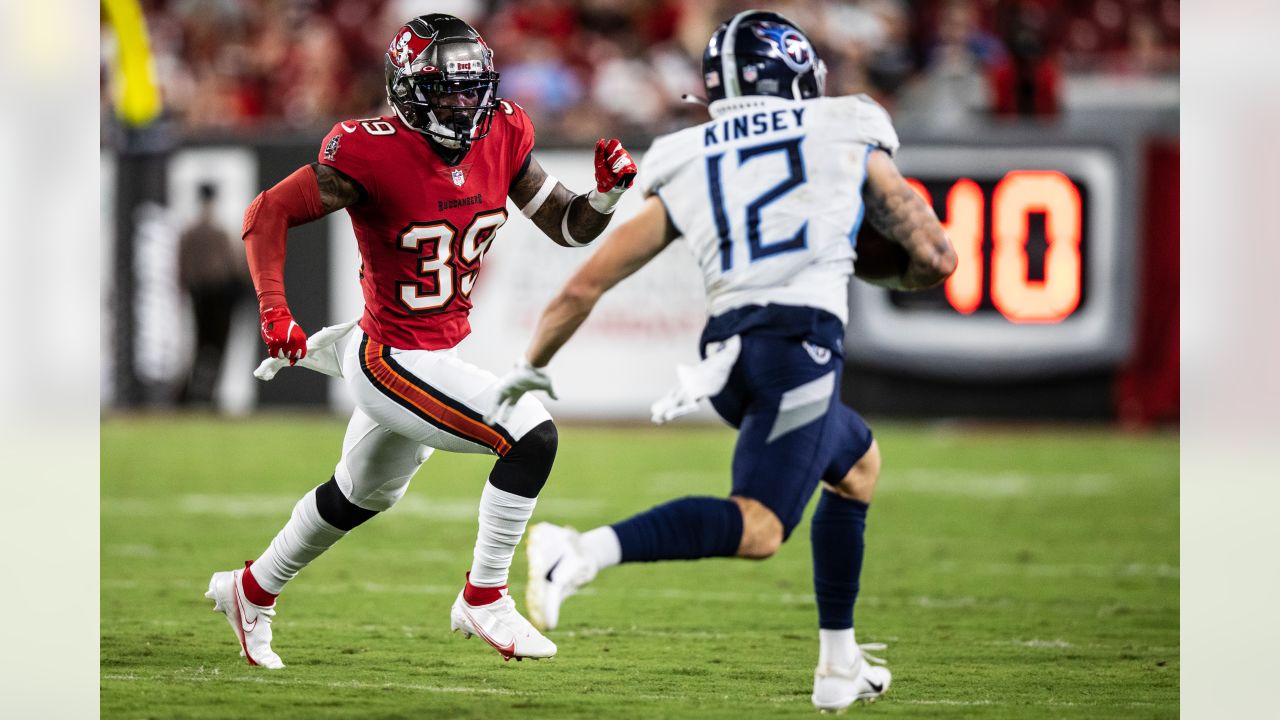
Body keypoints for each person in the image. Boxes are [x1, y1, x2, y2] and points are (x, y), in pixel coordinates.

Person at [488, 10, 955, 711]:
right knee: (762, 527)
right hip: (797, 345)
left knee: (857, 466)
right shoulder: (846, 125)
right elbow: (934, 257)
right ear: (800, 74)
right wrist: (851, 253)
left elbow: (585, 284)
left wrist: (531, 362)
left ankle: (839, 664)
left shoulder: (691, 153)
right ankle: (579, 551)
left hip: (726, 358)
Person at [204, 13, 639, 668]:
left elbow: (568, 228)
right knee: (530, 434)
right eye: (447, 90)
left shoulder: (505, 130)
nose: (464, 104)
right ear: (409, 90)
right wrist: (275, 313)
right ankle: (484, 595)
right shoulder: (368, 150)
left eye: (474, 88)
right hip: (389, 357)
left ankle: (250, 589)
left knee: (360, 494)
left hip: (437, 353)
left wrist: (604, 198)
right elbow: (268, 212)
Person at [177, 182, 249, 405]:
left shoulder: (191, 232)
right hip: (218, 297)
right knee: (216, 347)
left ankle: (193, 396)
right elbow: (234, 266)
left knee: (201, 347)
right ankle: (204, 395)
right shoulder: (218, 232)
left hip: (201, 295)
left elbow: (184, 267)